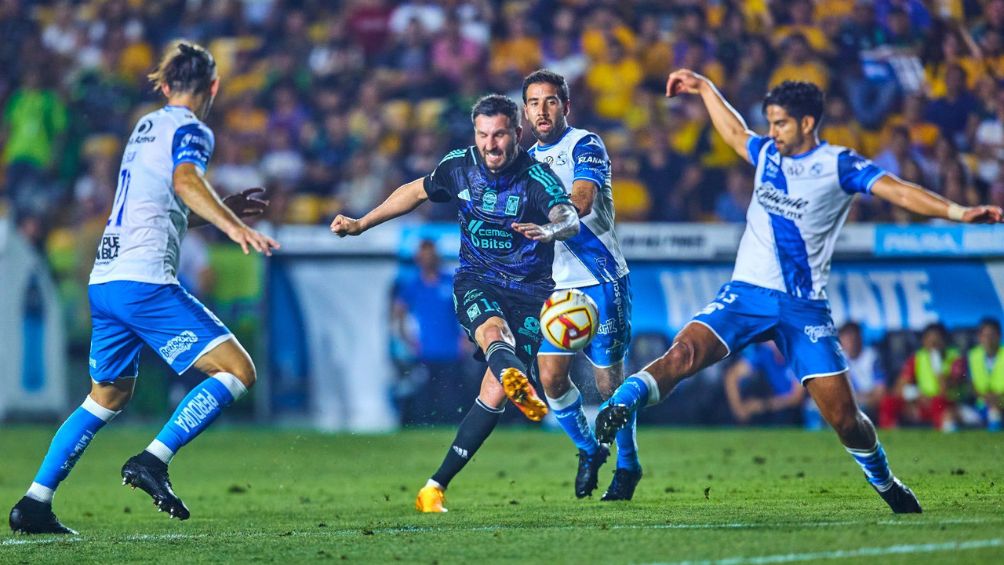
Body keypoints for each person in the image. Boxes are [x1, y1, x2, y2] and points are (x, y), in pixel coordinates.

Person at [595, 69, 1003, 514]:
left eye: (781, 123)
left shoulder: (838, 164)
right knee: (683, 353)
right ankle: (620, 402)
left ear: (808, 123)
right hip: (746, 294)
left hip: (802, 308)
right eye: (770, 122)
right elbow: (734, 132)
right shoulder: (768, 152)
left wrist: (959, 212)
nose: (772, 132)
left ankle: (886, 483)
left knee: (846, 421)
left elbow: (898, 191)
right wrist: (704, 86)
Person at [9, 41, 279, 535]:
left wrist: (221, 211)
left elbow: (160, 209)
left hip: (107, 278)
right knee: (238, 370)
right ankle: (154, 460)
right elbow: (184, 180)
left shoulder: (144, 126)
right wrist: (231, 226)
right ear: (213, 87)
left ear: (164, 84)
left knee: (105, 397)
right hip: (145, 281)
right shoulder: (193, 128)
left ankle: (34, 502)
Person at [330, 94, 579, 513]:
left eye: (499, 134)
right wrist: (360, 223)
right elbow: (413, 192)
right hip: (477, 279)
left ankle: (434, 487)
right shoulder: (458, 166)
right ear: (474, 135)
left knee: (493, 392)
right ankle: (515, 373)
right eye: (483, 135)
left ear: (516, 134)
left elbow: (568, 216)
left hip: (531, 293)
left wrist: (551, 231)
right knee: (493, 331)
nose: (491, 145)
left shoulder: (537, 180)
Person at [521, 69, 638, 500]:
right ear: (525, 111)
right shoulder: (524, 161)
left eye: (550, 101)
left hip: (602, 280)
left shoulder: (585, 144)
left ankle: (628, 466)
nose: (542, 110)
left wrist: (546, 226)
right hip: (558, 289)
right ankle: (589, 450)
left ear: (565, 106)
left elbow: (583, 201)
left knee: (608, 386)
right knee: (550, 379)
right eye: (533, 103)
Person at [389, 238, 468, 425]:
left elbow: (466, 310)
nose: (428, 260)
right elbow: (398, 313)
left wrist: (467, 338)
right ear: (418, 259)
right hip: (426, 351)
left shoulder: (450, 282)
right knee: (426, 395)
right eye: (424, 256)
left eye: (431, 256)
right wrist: (407, 341)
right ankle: (426, 427)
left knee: (452, 396)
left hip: (452, 350)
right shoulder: (413, 286)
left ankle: (451, 426)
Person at [881, 322, 962, 431]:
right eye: (930, 340)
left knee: (939, 403)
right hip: (921, 401)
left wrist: (936, 361)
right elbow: (898, 388)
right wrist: (915, 396)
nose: (933, 344)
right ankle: (891, 437)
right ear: (924, 341)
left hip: (946, 403)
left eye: (937, 340)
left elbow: (945, 389)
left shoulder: (955, 358)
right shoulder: (918, 357)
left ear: (944, 341)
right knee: (889, 401)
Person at [723, 342, 804, 426]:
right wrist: (738, 408)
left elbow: (796, 398)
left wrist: (762, 405)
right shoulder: (765, 354)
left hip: (799, 412)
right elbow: (732, 375)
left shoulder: (798, 356)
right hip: (776, 409)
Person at [959, 317, 1003, 430]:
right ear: (980, 337)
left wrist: (997, 397)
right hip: (980, 403)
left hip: (1001, 402)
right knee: (954, 413)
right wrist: (984, 396)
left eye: (992, 335)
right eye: (985, 335)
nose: (988, 339)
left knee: (995, 411)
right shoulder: (973, 356)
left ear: (999, 336)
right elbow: (969, 383)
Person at [839, 321, 886, 421]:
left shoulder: (872, 357)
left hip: (869, 402)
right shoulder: (840, 360)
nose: (851, 343)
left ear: (860, 338)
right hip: (853, 401)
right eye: (847, 339)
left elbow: (880, 392)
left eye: (853, 338)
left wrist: (864, 398)